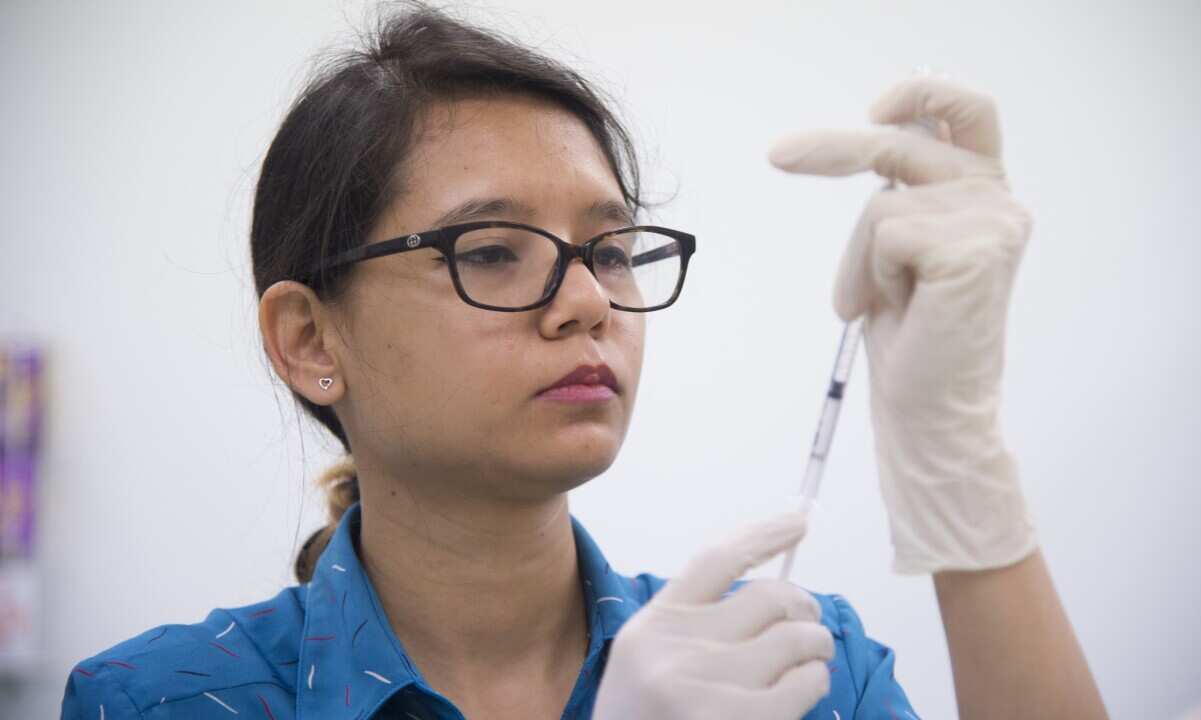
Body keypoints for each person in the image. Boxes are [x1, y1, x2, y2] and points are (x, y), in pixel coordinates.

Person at [60, 2, 1108, 718]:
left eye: (609, 248)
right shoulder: (165, 698)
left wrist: (956, 457)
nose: (588, 299)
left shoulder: (783, 663)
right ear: (309, 341)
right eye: (490, 251)